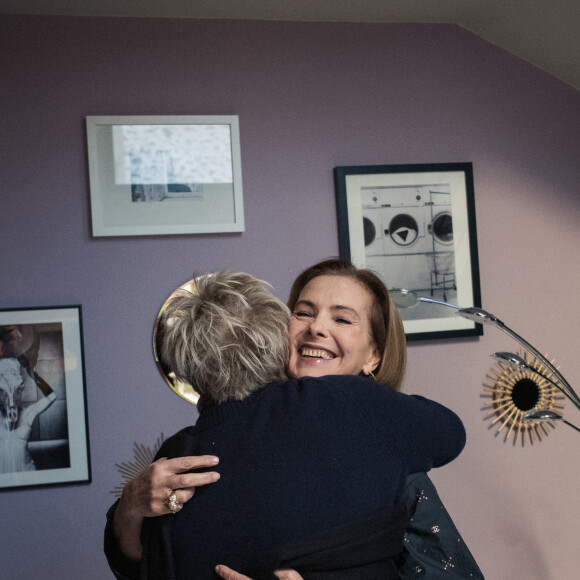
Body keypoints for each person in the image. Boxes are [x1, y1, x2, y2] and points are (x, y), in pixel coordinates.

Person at [105, 268, 467, 579]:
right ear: (276, 330)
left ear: (375, 355)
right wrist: (129, 506)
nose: (316, 329)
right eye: (303, 313)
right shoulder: (179, 459)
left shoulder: (396, 453)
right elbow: (142, 565)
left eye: (342, 318)